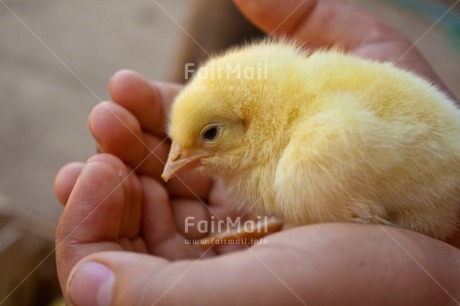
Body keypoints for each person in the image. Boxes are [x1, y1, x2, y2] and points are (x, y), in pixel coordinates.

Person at [54, 0, 460, 305]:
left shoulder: (313, 155)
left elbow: (370, 222)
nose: (175, 159)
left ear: (248, 123)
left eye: (209, 134)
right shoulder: (300, 93)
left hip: (434, 204)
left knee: (311, 173)